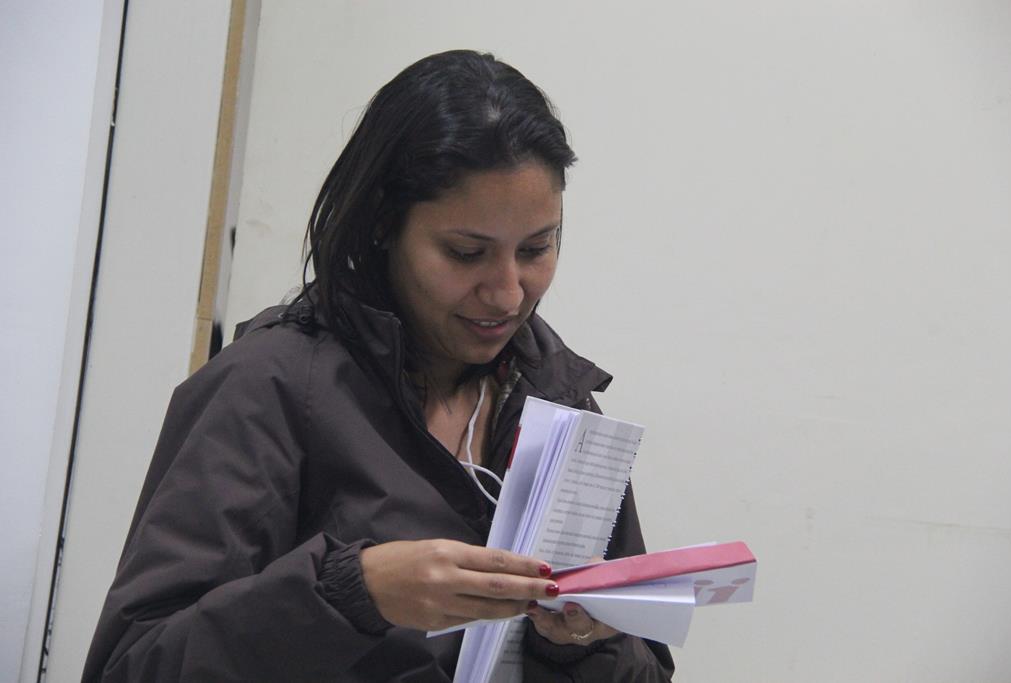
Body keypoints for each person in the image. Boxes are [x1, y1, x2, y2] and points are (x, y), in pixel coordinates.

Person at [83, 50, 674, 682]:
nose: (507, 293)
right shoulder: (270, 386)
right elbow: (132, 667)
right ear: (383, 227)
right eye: (465, 253)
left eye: (536, 249)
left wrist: (576, 641)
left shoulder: (560, 399)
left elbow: (647, 669)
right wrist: (351, 594)